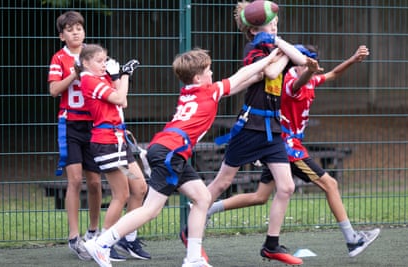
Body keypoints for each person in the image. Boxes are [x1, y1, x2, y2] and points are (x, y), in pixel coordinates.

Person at [82, 47, 280, 267]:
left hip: (170, 150)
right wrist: (270, 58)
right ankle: (102, 243)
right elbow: (238, 77)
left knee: (203, 198)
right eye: (209, 70)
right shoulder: (208, 92)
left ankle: (193, 258)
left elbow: (238, 84)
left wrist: (260, 74)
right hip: (171, 153)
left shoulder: (190, 91)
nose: (212, 74)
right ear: (198, 77)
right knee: (151, 209)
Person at [206, 45, 381, 258]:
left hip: (278, 147)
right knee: (330, 184)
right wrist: (308, 69)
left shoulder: (311, 80)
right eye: (305, 61)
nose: (309, 64)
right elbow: (299, 82)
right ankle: (353, 240)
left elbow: (333, 74)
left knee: (260, 196)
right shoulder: (290, 83)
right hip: (289, 148)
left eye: (311, 60)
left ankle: (210, 209)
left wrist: (353, 59)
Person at [181, 1, 308, 266]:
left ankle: (271, 245)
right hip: (250, 126)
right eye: (268, 22)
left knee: (286, 186)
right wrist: (282, 50)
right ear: (252, 29)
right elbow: (271, 71)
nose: (274, 24)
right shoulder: (254, 49)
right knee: (222, 182)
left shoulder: (273, 46)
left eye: (275, 22)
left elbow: (304, 61)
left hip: (272, 128)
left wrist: (280, 43)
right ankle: (192, 227)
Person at [75, 44, 152, 262]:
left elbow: (122, 101)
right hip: (107, 143)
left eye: (105, 60)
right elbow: (119, 98)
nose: (104, 64)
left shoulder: (103, 78)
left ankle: (128, 238)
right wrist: (125, 75)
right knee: (122, 194)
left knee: (139, 187)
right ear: (86, 63)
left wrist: (118, 76)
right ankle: (103, 244)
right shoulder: (89, 79)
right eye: (99, 61)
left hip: (119, 143)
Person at [48, 11, 102, 261]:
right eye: (69, 29)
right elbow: (54, 90)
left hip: (95, 124)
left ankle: (94, 232)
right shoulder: (59, 58)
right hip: (70, 125)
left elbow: (107, 83)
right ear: (62, 36)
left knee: (94, 181)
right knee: (75, 179)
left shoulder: (94, 55)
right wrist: (75, 73)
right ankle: (74, 236)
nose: (75, 32)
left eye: (79, 27)